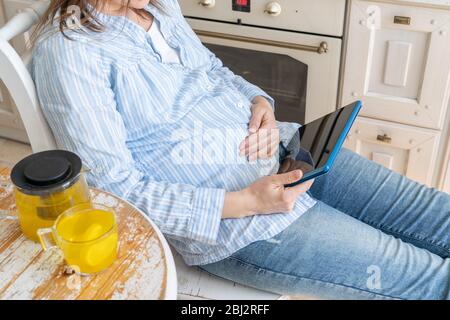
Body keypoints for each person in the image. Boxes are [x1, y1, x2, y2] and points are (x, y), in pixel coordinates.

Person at [31, 0, 450, 299]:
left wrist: (260, 102)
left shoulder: (157, 8)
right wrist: (245, 202)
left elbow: (212, 70)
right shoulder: (68, 52)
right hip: (243, 226)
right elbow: (113, 186)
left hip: (290, 148)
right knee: (431, 280)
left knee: (441, 218)